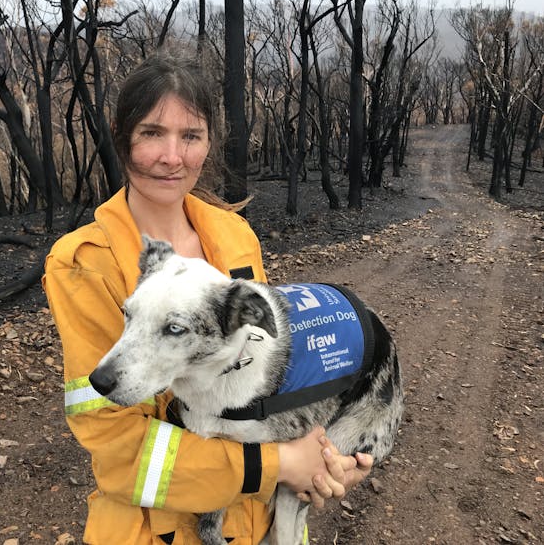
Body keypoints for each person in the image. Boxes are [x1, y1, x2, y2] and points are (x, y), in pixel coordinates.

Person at [42, 52, 373, 545]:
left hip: (259, 523)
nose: (172, 157)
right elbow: (117, 449)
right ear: (121, 135)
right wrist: (279, 463)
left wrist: (326, 463)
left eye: (190, 136)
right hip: (155, 527)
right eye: (152, 132)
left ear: (209, 142)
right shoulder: (85, 262)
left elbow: (267, 382)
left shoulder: (234, 237)